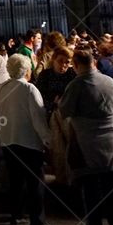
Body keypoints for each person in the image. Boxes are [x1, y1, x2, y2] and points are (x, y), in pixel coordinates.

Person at [59, 49, 113, 225]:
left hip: (86, 141)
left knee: (91, 189)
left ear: (76, 64)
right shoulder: (110, 82)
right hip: (112, 140)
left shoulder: (77, 85)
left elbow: (65, 111)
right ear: (94, 63)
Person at [0, 53, 52, 225]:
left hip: (8, 140)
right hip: (28, 142)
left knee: (15, 181)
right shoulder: (30, 89)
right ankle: (38, 222)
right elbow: (38, 118)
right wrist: (48, 140)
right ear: (26, 70)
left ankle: (16, 215)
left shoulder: (1, 89)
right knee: (35, 183)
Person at [35, 46, 76, 186]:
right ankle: (60, 177)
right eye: (60, 61)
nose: (64, 65)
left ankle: (71, 177)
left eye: (67, 62)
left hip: (70, 118)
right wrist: (52, 103)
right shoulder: (45, 75)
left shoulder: (72, 75)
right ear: (53, 60)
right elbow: (38, 97)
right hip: (50, 116)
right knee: (56, 149)